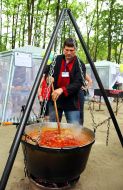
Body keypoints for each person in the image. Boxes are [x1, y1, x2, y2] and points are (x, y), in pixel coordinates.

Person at [44, 38, 86, 124]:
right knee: (53, 127)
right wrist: (48, 78)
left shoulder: (80, 64)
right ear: (63, 49)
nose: (69, 53)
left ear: (75, 50)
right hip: (56, 98)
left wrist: (62, 89)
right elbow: (47, 72)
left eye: (71, 50)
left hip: (72, 101)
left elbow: (78, 83)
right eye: (67, 50)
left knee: (75, 129)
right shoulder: (57, 59)